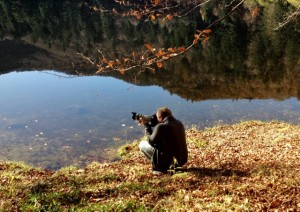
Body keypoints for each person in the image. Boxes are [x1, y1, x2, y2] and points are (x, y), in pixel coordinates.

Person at [138, 107, 188, 174]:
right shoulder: (179, 123)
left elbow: (151, 141)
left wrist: (147, 126)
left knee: (142, 144)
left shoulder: (161, 126)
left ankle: (159, 167)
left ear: (160, 117)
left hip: (167, 163)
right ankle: (168, 164)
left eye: (158, 118)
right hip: (181, 161)